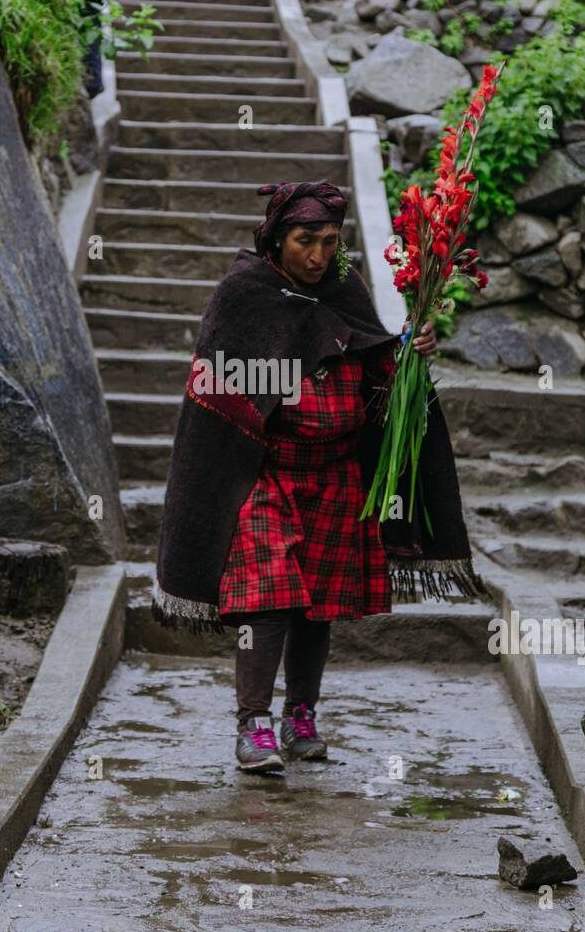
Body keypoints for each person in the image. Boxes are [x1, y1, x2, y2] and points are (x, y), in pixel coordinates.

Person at [152, 180, 485, 775]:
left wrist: (409, 352)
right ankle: (253, 724)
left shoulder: (341, 289)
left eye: (330, 242)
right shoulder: (243, 295)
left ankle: (300, 716)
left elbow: (372, 361)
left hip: (335, 480)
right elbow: (220, 391)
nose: (319, 256)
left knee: (318, 605)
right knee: (268, 597)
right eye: (306, 241)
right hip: (267, 477)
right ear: (277, 239)